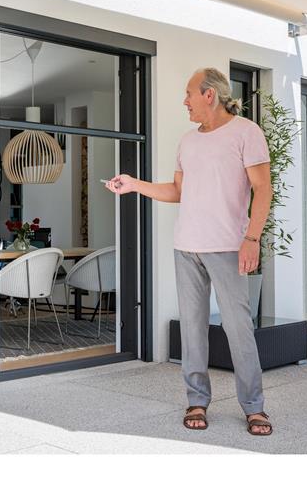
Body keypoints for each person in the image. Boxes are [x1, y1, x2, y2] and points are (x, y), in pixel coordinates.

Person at [105, 68, 273, 435]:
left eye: (189, 94)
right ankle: (197, 400)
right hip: (187, 247)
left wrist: (252, 239)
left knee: (238, 328)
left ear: (209, 95)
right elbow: (178, 191)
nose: (185, 101)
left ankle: (254, 406)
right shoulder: (188, 140)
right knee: (193, 330)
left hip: (228, 247)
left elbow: (263, 189)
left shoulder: (246, 133)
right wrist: (134, 185)